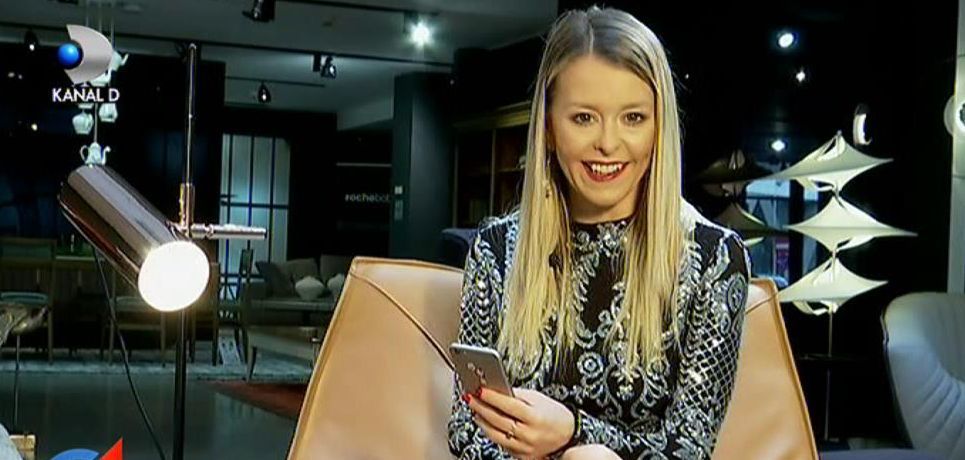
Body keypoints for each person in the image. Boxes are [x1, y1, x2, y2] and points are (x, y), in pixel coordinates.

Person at [447, 6, 751, 460]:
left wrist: (574, 434)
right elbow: (465, 430)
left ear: (659, 127)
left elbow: (688, 449)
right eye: (584, 118)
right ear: (549, 127)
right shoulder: (495, 250)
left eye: (633, 118)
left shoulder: (715, 259)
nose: (608, 143)